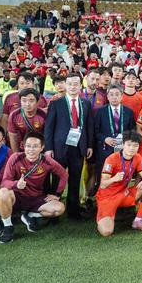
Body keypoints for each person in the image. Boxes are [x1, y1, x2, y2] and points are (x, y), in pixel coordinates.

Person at [0, 131, 67, 244]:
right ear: (23, 146)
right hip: (17, 197)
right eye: (28, 146)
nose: (31, 149)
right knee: (3, 193)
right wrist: (16, 184)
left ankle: (29, 216)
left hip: (36, 198)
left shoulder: (46, 160)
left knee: (59, 208)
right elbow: (5, 182)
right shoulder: (15, 157)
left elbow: (64, 174)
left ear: (41, 148)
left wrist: (57, 194)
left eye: (35, 146)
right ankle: (8, 227)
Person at [43, 73, 94, 220]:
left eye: (76, 84)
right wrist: (49, 148)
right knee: (57, 179)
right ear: (65, 85)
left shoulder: (86, 104)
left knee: (75, 179)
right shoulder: (56, 103)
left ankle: (73, 212)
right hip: (59, 148)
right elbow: (49, 127)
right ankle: (53, 213)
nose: (72, 87)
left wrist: (89, 145)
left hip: (78, 147)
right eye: (70, 84)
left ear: (80, 86)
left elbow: (89, 126)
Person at [96, 130, 142, 236]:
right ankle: (106, 216)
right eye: (129, 145)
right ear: (123, 145)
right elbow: (103, 185)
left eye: (135, 145)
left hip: (124, 193)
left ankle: (138, 221)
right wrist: (114, 179)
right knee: (106, 232)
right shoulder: (111, 159)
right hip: (108, 197)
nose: (131, 148)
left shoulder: (137, 157)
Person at [93, 84, 136, 185]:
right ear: (107, 97)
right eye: (111, 94)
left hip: (123, 150)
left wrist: (125, 139)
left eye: (117, 94)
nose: (114, 97)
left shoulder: (128, 112)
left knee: (121, 176)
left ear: (121, 96)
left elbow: (132, 130)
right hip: (105, 150)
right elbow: (95, 130)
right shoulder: (100, 111)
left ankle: (120, 194)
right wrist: (105, 139)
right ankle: (101, 194)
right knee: (103, 177)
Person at [7, 88, 47, 153]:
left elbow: (47, 136)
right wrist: (16, 154)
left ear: (37, 102)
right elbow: (13, 137)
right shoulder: (14, 115)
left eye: (31, 101)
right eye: (24, 100)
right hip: (21, 148)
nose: (27, 104)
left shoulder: (44, 115)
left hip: (39, 148)